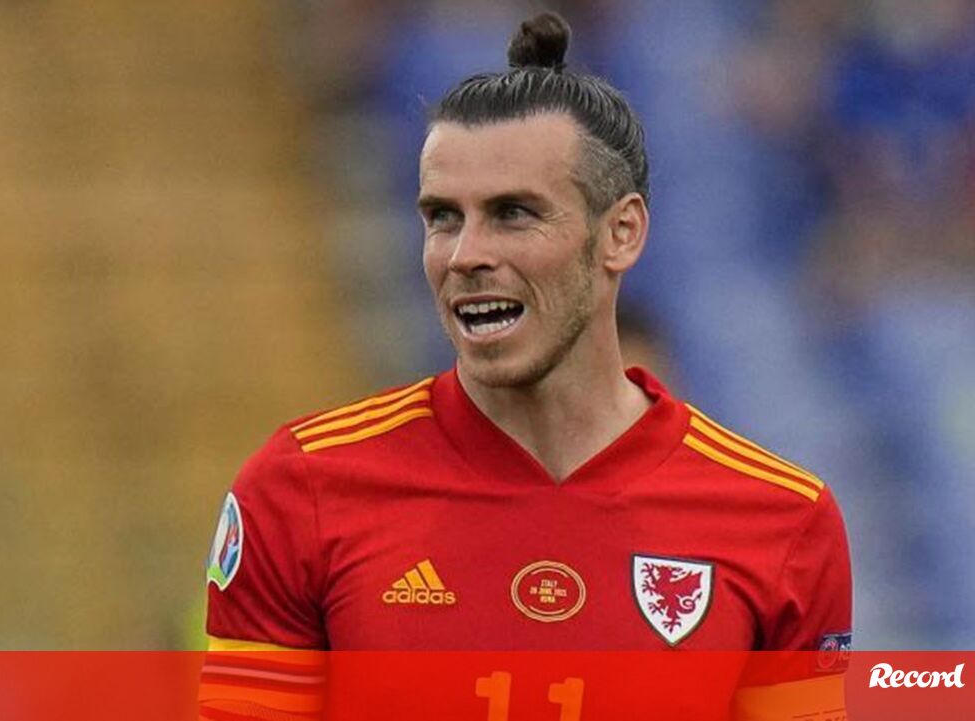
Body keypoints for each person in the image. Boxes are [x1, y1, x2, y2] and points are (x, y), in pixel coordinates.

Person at [199, 12, 851, 720]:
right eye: (443, 217)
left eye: (513, 213)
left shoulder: (782, 520)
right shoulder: (300, 489)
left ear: (621, 233)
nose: (465, 255)